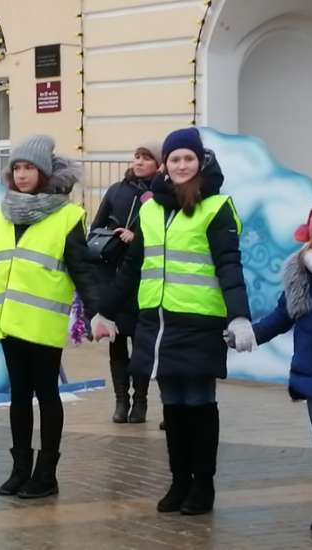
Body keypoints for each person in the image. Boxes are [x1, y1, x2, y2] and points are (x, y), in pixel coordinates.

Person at [93, 127, 255, 515]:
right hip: (157, 324)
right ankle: (180, 481)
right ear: (165, 164)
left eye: (189, 158)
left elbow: (229, 266)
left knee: (199, 405)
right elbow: (132, 267)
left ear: (200, 162)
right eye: (175, 159)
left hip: (198, 322)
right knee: (173, 408)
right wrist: (105, 310)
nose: (182, 165)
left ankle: (204, 486)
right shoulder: (150, 208)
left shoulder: (217, 207)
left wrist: (239, 317)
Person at [0, 135, 99, 499]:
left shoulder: (68, 215)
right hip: (9, 322)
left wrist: (100, 314)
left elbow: (83, 271)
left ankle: (46, 473)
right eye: (16, 168)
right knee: (19, 397)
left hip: (42, 324)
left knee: (47, 395)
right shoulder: (1, 214)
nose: (22, 175)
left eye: (29, 168)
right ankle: (21, 468)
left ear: (45, 172)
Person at [249, 204, 312, 542]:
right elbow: (280, 317)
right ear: (311, 235)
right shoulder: (299, 274)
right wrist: (250, 335)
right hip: (310, 372)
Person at [90, 143, 161, 423]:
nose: (140, 162)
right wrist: (111, 233)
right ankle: (121, 401)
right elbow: (95, 226)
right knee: (116, 342)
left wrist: (136, 235)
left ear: (158, 164)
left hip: (144, 280)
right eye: (137, 157)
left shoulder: (161, 194)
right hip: (114, 277)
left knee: (141, 344)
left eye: (147, 158)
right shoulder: (117, 190)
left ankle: (140, 402)